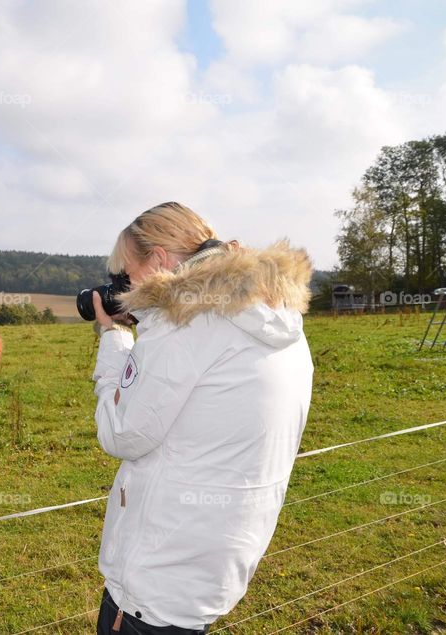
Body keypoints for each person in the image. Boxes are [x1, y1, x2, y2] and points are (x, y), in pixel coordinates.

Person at [91, 202, 314, 633]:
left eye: (128, 272)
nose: (126, 286)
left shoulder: (186, 325)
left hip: (155, 578)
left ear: (158, 260)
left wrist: (116, 338)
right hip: (214, 562)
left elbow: (120, 432)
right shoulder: (281, 317)